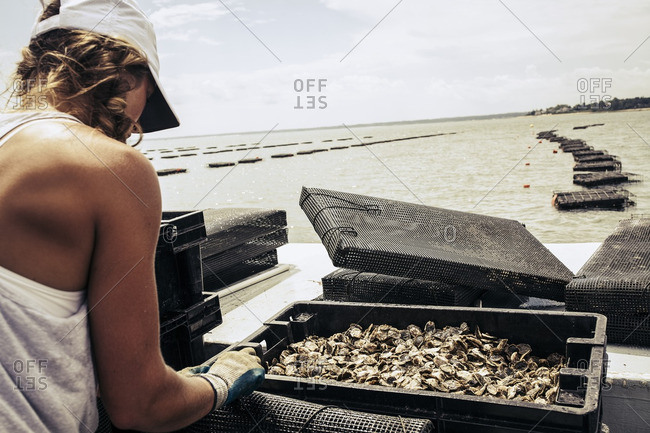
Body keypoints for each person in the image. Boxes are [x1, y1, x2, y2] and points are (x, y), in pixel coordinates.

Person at [0, 0, 264, 431]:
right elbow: (140, 405)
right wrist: (222, 380)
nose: (136, 123)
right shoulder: (111, 167)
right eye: (149, 98)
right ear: (126, 73)